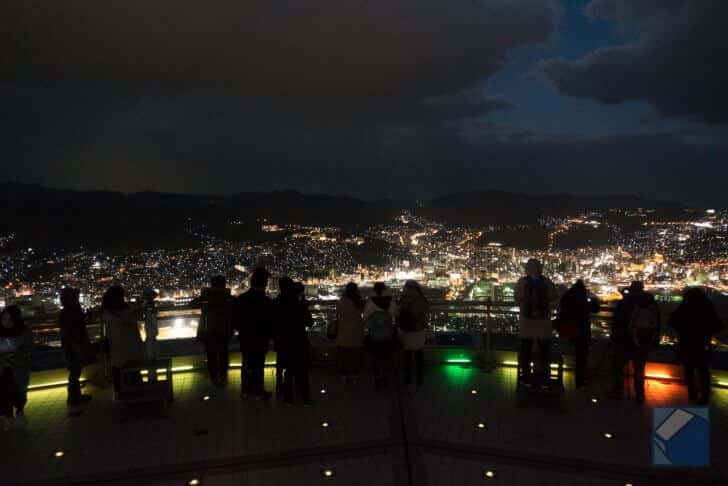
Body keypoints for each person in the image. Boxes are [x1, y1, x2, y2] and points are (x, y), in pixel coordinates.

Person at [669, 288, 725, 405]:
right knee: (703, 371)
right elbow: (719, 325)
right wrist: (706, 333)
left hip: (687, 343)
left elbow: (672, 321)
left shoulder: (685, 307)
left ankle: (692, 394)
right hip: (702, 344)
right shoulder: (707, 308)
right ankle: (705, 396)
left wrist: (683, 330)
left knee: (689, 371)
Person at [609, 281, 660, 403]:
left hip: (625, 340)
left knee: (617, 367)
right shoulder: (651, 303)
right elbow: (656, 321)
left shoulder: (626, 302)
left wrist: (616, 335)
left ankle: (617, 391)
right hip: (643, 341)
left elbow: (618, 320)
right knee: (639, 369)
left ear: (631, 289)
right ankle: (640, 394)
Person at [515, 259, 558, 387]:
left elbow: (517, 297)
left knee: (525, 351)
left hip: (527, 323)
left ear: (527, 270)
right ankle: (544, 377)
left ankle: (526, 378)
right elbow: (554, 296)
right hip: (543, 323)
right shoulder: (546, 282)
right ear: (540, 269)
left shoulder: (522, 282)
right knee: (544, 352)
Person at [235, 267, 274, 399]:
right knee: (258, 364)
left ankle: (245, 390)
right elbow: (270, 322)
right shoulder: (267, 302)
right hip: (261, 338)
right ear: (264, 284)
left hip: (245, 337)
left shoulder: (241, 299)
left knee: (246, 363)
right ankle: (258, 391)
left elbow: (236, 320)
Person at [556, 280, 599, 390]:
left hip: (567, 330)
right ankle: (579, 381)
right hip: (582, 331)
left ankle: (558, 377)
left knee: (560, 353)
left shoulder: (567, 297)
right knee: (581, 357)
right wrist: (592, 298)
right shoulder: (583, 299)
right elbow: (595, 308)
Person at [102, 285, 144, 393]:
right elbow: (138, 316)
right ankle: (136, 393)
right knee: (133, 373)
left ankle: (121, 395)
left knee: (119, 373)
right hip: (131, 348)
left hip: (116, 349)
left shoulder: (107, 312)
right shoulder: (126, 310)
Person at [277, 282, 313, 405]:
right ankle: (306, 398)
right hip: (300, 340)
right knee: (302, 371)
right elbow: (310, 322)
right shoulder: (301, 306)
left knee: (289, 371)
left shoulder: (283, 305)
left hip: (286, 341)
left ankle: (288, 399)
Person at [59, 287, 93, 405]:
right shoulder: (69, 313)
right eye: (75, 297)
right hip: (73, 346)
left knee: (75, 371)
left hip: (73, 345)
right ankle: (74, 398)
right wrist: (78, 346)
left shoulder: (70, 312)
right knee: (75, 372)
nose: (77, 299)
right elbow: (71, 331)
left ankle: (75, 397)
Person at [0, 306, 32, 431]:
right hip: (3, 369)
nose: (6, 323)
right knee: (3, 393)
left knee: (18, 392)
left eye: (10, 320)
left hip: (18, 369)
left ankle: (18, 411)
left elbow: (28, 349)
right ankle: (8, 416)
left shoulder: (24, 332)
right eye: (4, 319)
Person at [200, 276, 234, 386]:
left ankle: (214, 378)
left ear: (212, 285)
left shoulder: (207, 296)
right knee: (223, 354)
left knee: (211, 356)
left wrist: (204, 295)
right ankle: (223, 376)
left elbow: (192, 303)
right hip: (224, 330)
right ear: (224, 285)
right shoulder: (228, 297)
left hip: (209, 330)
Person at [364, 282, 397, 391]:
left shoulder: (370, 301)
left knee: (376, 357)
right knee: (386, 356)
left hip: (374, 334)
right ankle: (385, 377)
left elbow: (366, 317)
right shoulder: (390, 300)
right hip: (387, 333)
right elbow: (394, 313)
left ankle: (377, 378)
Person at [397, 280, 429, 386]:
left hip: (406, 331)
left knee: (407, 355)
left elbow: (399, 313)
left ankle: (407, 379)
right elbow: (426, 312)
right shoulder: (421, 299)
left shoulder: (403, 299)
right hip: (418, 330)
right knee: (419, 355)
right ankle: (419, 379)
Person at [335, 282, 365, 384]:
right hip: (357, 332)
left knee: (344, 356)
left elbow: (338, 316)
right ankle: (355, 375)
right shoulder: (359, 301)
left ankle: (344, 376)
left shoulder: (342, 301)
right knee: (356, 356)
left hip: (344, 333)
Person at [273, 277, 295, 392]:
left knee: (280, 362)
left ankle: (279, 384)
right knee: (290, 361)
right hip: (291, 336)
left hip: (280, 336)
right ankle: (288, 384)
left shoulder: (277, 300)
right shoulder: (293, 301)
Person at [142, 288, 159, 361]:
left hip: (150, 326)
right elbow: (152, 314)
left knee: (150, 340)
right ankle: (151, 357)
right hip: (151, 326)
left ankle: (151, 357)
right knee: (151, 341)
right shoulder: (150, 305)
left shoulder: (147, 305)